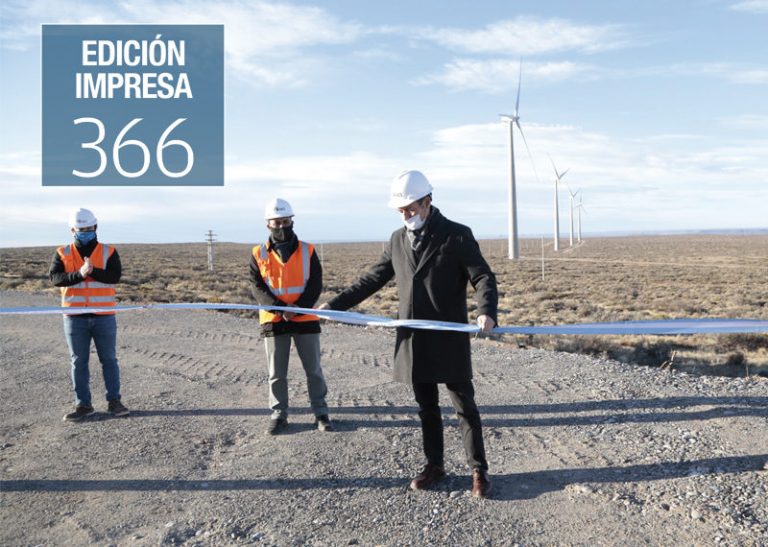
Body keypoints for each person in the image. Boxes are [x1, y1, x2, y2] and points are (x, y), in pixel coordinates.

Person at [320, 170, 498, 498]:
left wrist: (486, 311)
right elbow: (370, 280)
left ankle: (478, 470)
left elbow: (483, 276)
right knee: (426, 406)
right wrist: (333, 306)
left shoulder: (457, 235)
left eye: (411, 209)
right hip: (414, 340)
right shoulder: (396, 240)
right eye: (401, 211)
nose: (406, 216)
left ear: (428, 202)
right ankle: (435, 465)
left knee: (464, 406)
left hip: (448, 336)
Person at [249, 198, 332, 435]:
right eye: (277, 222)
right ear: (268, 225)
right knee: (276, 373)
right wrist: (279, 309)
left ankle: (321, 413)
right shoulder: (257, 253)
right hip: (274, 321)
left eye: (286, 222)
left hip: (305, 318)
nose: (282, 227)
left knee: (314, 370)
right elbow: (256, 288)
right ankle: (279, 413)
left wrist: (297, 308)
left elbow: (315, 284)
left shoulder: (308, 250)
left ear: (292, 221)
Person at [49, 208, 130, 421]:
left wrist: (92, 271)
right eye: (80, 229)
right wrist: (80, 274)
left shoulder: (109, 252)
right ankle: (83, 405)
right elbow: (56, 279)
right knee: (78, 361)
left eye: (87, 228)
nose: (84, 232)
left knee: (109, 360)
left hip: (103, 315)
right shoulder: (62, 253)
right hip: (75, 316)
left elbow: (114, 277)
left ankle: (114, 401)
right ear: (72, 229)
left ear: (95, 227)